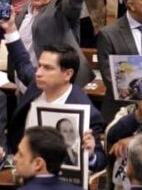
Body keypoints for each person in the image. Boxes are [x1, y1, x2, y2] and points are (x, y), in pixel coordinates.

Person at [4, 41, 107, 174]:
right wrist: (11, 30)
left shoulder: (87, 111)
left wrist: (91, 155)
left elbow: (101, 160)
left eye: (47, 68)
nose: (38, 73)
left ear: (68, 74)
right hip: (21, 170)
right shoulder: (36, 86)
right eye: (39, 66)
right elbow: (22, 63)